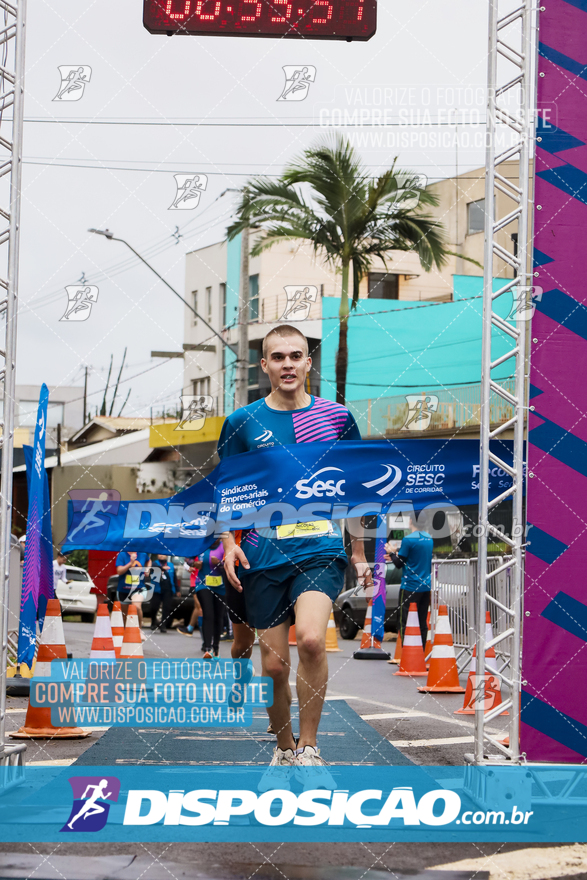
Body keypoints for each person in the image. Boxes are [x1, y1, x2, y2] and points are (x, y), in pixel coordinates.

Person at [219, 324, 372, 770]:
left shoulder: (336, 419)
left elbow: (357, 489)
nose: (288, 364)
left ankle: (309, 747)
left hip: (319, 549)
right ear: (264, 364)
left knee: (309, 639)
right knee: (274, 668)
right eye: (278, 357)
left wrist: (359, 553)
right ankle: (283, 746)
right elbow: (226, 489)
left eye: (296, 356)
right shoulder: (242, 422)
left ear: (308, 363)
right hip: (262, 554)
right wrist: (229, 542)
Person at [386, 514, 433, 646]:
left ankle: (407, 653)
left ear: (411, 521)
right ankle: (420, 653)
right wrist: (396, 554)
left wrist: (391, 552)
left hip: (410, 586)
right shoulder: (429, 539)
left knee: (405, 621)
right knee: (422, 621)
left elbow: (399, 563)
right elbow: (413, 557)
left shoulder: (408, 539)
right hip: (425, 586)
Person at [194, 540, 226, 659]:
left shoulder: (224, 546)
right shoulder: (201, 544)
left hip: (221, 587)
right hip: (203, 584)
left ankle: (216, 647)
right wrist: (194, 564)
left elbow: (230, 564)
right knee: (208, 614)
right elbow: (188, 560)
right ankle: (207, 648)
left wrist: (219, 564)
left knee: (218, 616)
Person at [115, 550, 150, 637]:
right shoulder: (122, 555)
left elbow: (149, 560)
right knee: (125, 616)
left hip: (139, 588)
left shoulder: (142, 554)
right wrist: (130, 563)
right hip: (124, 589)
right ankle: (127, 635)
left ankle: (139, 631)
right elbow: (119, 571)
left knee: (136, 606)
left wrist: (148, 570)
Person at [149, 554, 180, 633]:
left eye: (164, 554)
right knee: (154, 607)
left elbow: (174, 578)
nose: (162, 556)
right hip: (156, 589)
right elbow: (154, 569)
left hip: (168, 590)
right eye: (160, 554)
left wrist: (177, 590)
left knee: (166, 608)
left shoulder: (171, 565)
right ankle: (153, 622)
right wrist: (162, 568)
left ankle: (163, 625)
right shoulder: (154, 563)